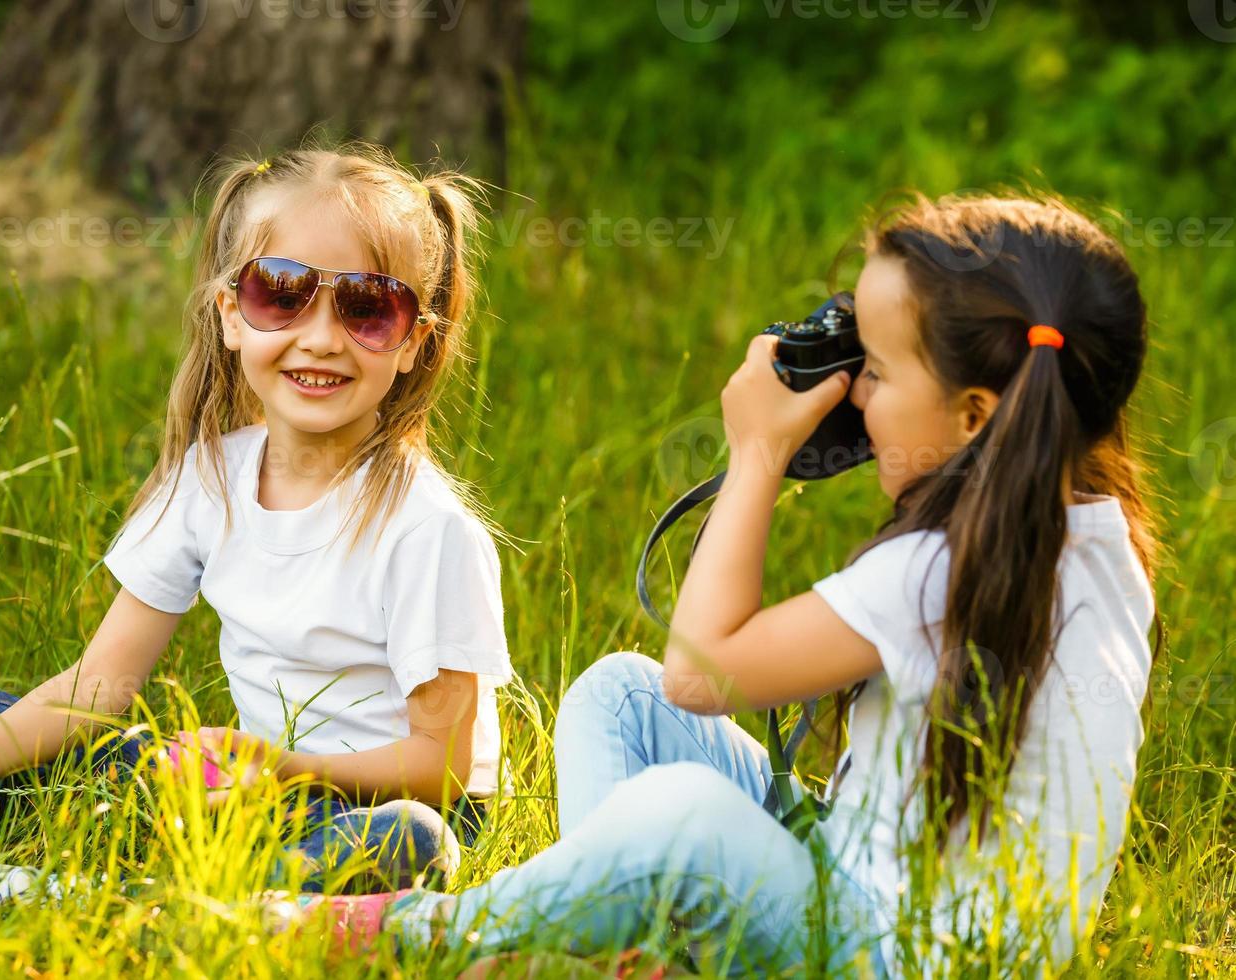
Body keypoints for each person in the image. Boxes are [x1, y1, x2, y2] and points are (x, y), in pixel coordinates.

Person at [294, 192, 1163, 977]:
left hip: (895, 957)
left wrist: (758, 453)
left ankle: (421, 932)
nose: (852, 390)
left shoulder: (934, 574)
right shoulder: (1100, 540)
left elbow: (703, 672)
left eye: (880, 371)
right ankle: (618, 942)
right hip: (883, 891)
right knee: (623, 698)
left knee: (684, 809)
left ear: (975, 416)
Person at [0, 144, 513, 897]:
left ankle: (209, 898)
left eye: (369, 307)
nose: (323, 337)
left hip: (373, 801)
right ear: (232, 316)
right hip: (249, 786)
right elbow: (98, 687)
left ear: (414, 344)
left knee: (410, 841)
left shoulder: (426, 528)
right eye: (283, 293)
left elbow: (442, 766)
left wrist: (280, 768)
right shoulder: (210, 479)